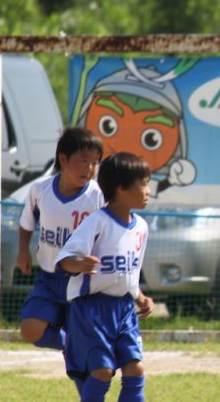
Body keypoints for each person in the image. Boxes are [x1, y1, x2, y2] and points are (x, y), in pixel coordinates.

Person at [55, 152, 155, 402]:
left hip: (124, 309)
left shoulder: (141, 227)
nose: (148, 190)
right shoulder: (97, 222)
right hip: (92, 309)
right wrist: (79, 264)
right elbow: (64, 259)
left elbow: (129, 273)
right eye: (143, 184)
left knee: (135, 368)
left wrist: (140, 297)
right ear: (121, 188)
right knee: (102, 371)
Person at [18, 127, 104, 352]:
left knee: (88, 342)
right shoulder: (40, 190)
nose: (90, 168)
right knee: (30, 329)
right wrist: (23, 251)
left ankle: (81, 349)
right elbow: (27, 222)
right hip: (48, 278)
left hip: (82, 282)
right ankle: (70, 345)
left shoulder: (98, 196)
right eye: (84, 161)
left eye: (95, 162)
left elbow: (109, 234)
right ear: (63, 159)